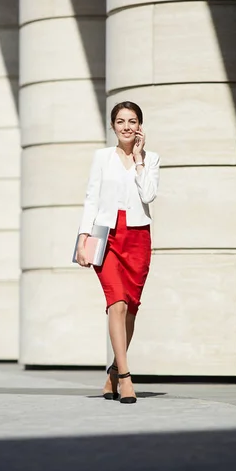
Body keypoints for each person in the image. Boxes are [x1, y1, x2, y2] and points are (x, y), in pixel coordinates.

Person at [76, 101, 160, 404]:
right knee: (117, 303)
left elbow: (149, 194)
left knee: (131, 308)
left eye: (133, 121)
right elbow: (91, 198)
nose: (127, 126)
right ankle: (125, 377)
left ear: (140, 126)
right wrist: (83, 238)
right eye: (121, 121)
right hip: (106, 235)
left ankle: (113, 371)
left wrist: (138, 159)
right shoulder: (101, 158)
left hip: (138, 237)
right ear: (113, 126)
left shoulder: (150, 159)